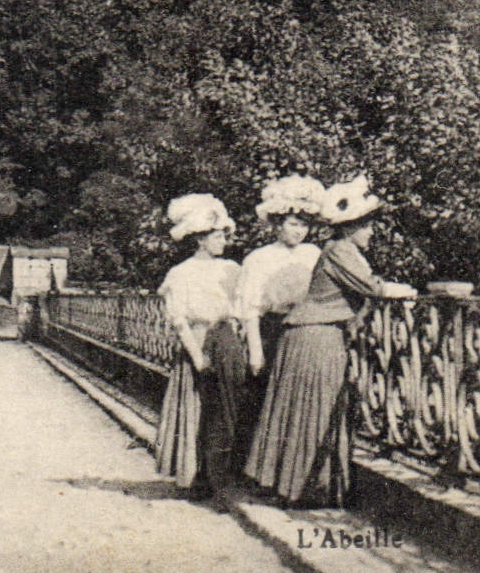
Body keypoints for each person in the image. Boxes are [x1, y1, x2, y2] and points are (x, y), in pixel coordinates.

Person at [243, 176, 416, 506]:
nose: (371, 232)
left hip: (317, 336)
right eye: (366, 226)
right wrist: (404, 291)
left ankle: (301, 487)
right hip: (315, 338)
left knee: (310, 411)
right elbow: (371, 287)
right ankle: (303, 489)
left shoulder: (342, 250)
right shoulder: (340, 250)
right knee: (314, 411)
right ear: (350, 227)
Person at [155, 193, 245, 500]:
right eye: (218, 236)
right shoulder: (181, 274)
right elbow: (179, 321)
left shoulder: (231, 270)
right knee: (196, 410)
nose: (224, 241)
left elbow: (240, 309)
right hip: (198, 345)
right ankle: (194, 476)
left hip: (226, 343)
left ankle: (221, 474)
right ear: (201, 239)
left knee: (224, 411)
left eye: (224, 235)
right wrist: (197, 357)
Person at [234, 175, 325, 457]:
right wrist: (255, 351)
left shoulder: (313, 254)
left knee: (298, 401)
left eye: (304, 225)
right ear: (277, 224)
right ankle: (255, 464)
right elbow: (250, 307)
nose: (299, 232)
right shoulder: (259, 258)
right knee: (264, 397)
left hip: (305, 332)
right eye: (293, 224)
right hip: (271, 330)